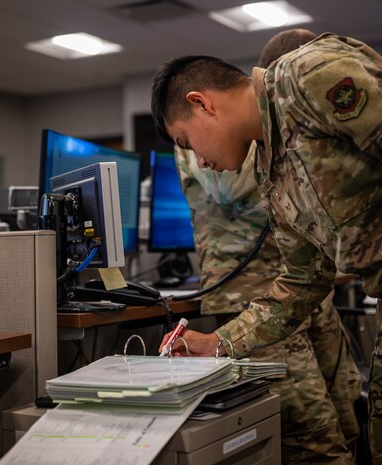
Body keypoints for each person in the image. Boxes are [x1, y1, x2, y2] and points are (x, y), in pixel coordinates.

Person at [151, 33, 382, 464]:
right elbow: (301, 282)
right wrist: (218, 342)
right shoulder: (270, 171)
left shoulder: (307, 76)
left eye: (186, 142)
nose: (197, 161)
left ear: (202, 103)